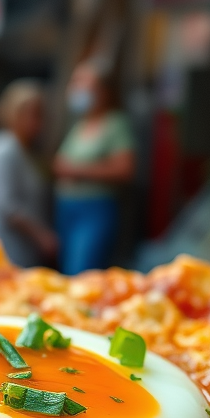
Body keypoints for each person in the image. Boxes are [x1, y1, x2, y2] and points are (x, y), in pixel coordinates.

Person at [52, 60, 135, 275]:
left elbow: (124, 169)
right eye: (75, 82)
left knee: (82, 271)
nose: (77, 89)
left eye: (84, 83)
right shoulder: (80, 125)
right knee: (67, 271)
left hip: (95, 208)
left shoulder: (115, 124)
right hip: (67, 206)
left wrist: (77, 171)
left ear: (104, 91)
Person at [0, 79, 56, 267]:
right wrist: (41, 235)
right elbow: (8, 206)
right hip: (1, 246)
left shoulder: (26, 151)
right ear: (15, 112)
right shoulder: (4, 150)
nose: (40, 122)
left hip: (18, 248)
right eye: (35, 114)